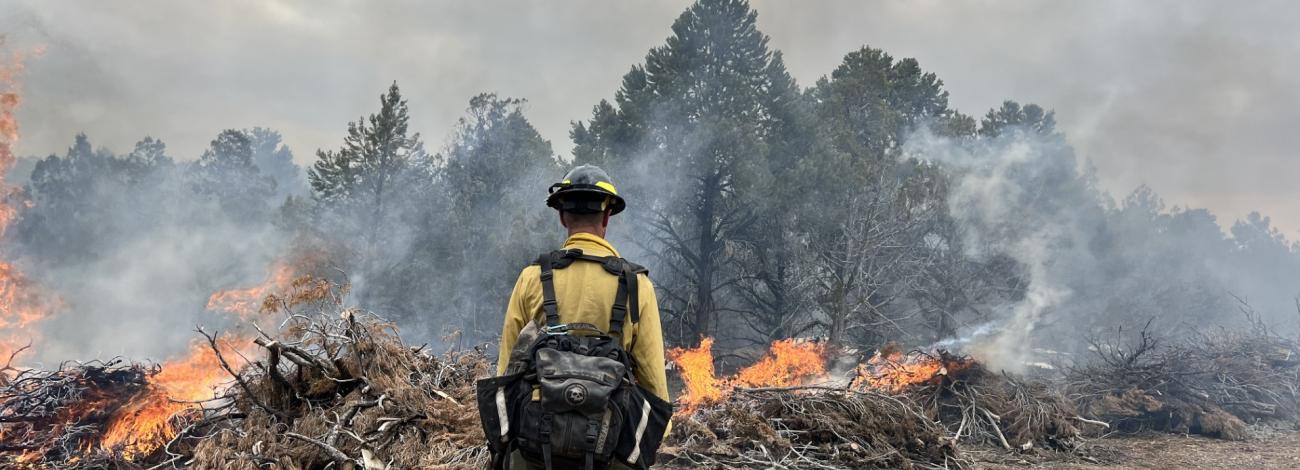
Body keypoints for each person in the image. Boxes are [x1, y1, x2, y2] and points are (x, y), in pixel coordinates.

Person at [491, 164, 670, 469]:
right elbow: (654, 389)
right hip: (608, 448)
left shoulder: (532, 278)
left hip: (534, 452)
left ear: (562, 217)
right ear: (606, 217)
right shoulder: (636, 285)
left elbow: (505, 376)